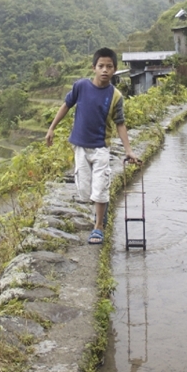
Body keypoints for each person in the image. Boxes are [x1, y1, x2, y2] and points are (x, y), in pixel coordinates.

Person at [45, 48, 138, 245]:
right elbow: (66, 106)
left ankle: (98, 227)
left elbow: (120, 123)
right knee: (85, 191)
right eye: (101, 66)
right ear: (93, 68)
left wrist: (128, 150)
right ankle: (100, 211)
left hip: (100, 148)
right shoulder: (80, 86)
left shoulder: (115, 96)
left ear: (115, 69)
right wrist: (51, 128)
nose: (105, 70)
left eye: (109, 67)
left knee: (100, 188)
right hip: (80, 147)